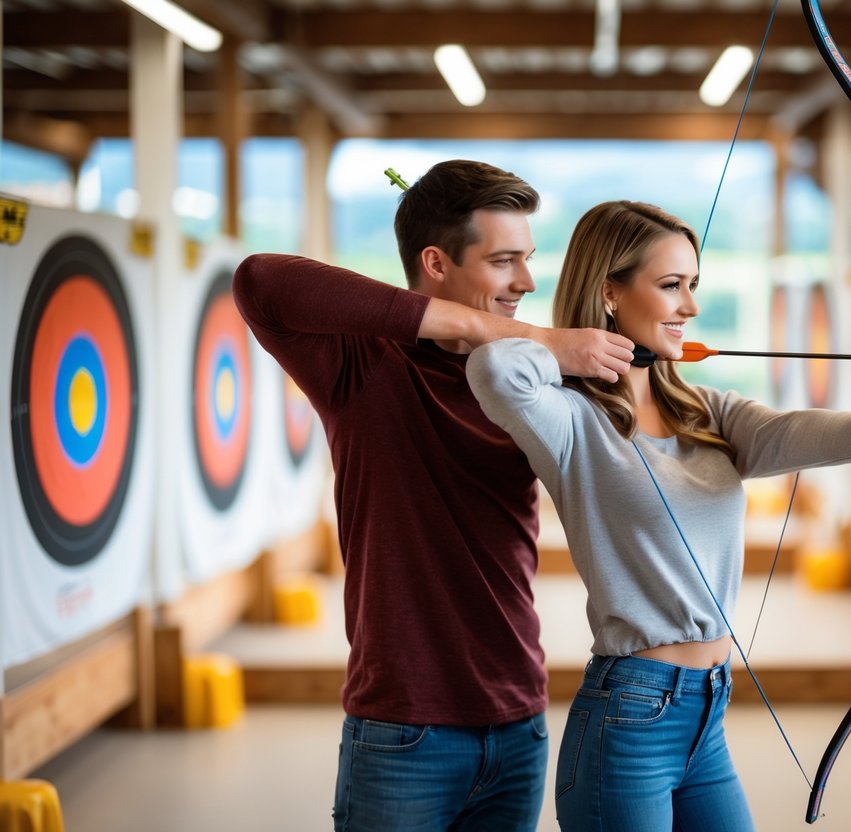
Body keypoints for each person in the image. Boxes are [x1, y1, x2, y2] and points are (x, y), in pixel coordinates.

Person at [466, 200, 851, 831]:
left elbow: (792, 433)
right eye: (672, 286)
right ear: (609, 292)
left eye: (694, 286)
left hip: (706, 714)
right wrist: (565, 345)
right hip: (627, 719)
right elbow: (493, 368)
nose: (691, 307)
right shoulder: (571, 420)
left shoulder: (705, 411)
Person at [233, 160, 634, 832]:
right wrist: (530, 337)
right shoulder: (362, 367)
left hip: (517, 722)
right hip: (402, 731)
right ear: (436, 263)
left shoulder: (530, 385)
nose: (527, 283)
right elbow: (260, 281)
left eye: (528, 260)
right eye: (504, 261)